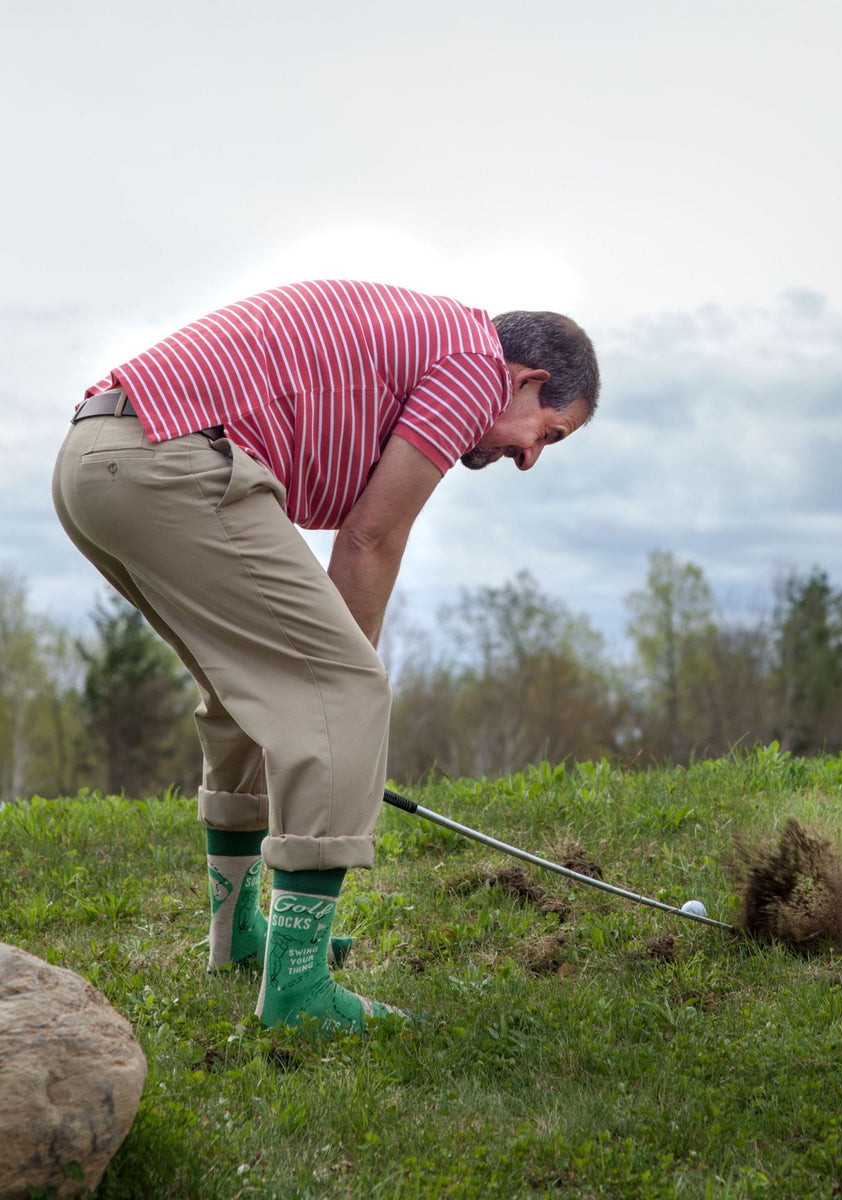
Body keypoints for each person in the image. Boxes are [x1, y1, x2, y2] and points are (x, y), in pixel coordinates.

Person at [52, 279, 600, 1033]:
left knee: (248, 692)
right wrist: (338, 712)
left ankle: (238, 937)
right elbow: (371, 538)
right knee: (342, 691)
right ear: (528, 380)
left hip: (96, 459)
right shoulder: (477, 366)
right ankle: (298, 993)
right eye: (550, 432)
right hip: (165, 461)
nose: (531, 457)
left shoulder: (434, 338)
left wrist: (318, 700)